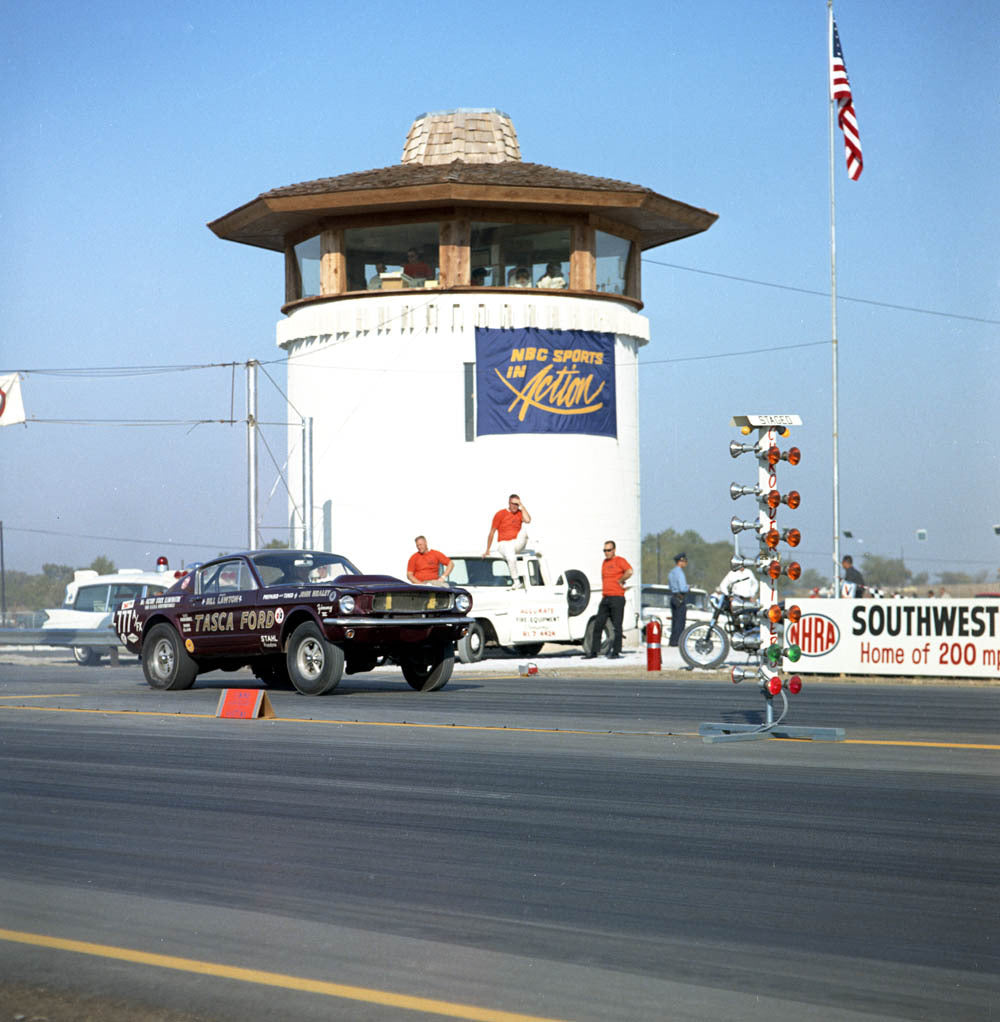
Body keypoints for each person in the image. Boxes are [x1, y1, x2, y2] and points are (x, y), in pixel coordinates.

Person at [584, 540, 633, 660]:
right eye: (604, 550)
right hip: (606, 597)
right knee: (598, 624)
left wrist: (621, 580)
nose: (606, 553)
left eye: (609, 550)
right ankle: (594, 651)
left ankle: (616, 652)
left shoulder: (620, 560)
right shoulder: (604, 563)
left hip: (617, 597)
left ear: (614, 550)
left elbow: (630, 571)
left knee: (617, 626)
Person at [484, 494, 531, 587]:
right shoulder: (500, 514)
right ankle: (516, 581)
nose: (514, 506)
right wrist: (487, 549)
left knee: (524, 531)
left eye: (517, 504)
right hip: (504, 543)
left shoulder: (520, 513)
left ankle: (517, 581)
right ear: (509, 503)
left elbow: (528, 520)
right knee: (511, 555)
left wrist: (522, 506)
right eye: (513, 503)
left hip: (516, 543)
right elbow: (492, 532)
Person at [667, 553, 689, 646]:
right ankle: (678, 641)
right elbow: (683, 588)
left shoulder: (671, 572)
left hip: (673, 597)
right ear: (681, 561)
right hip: (680, 597)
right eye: (685, 561)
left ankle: (673, 640)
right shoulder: (679, 572)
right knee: (680, 621)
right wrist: (688, 587)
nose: (685, 563)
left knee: (675, 621)